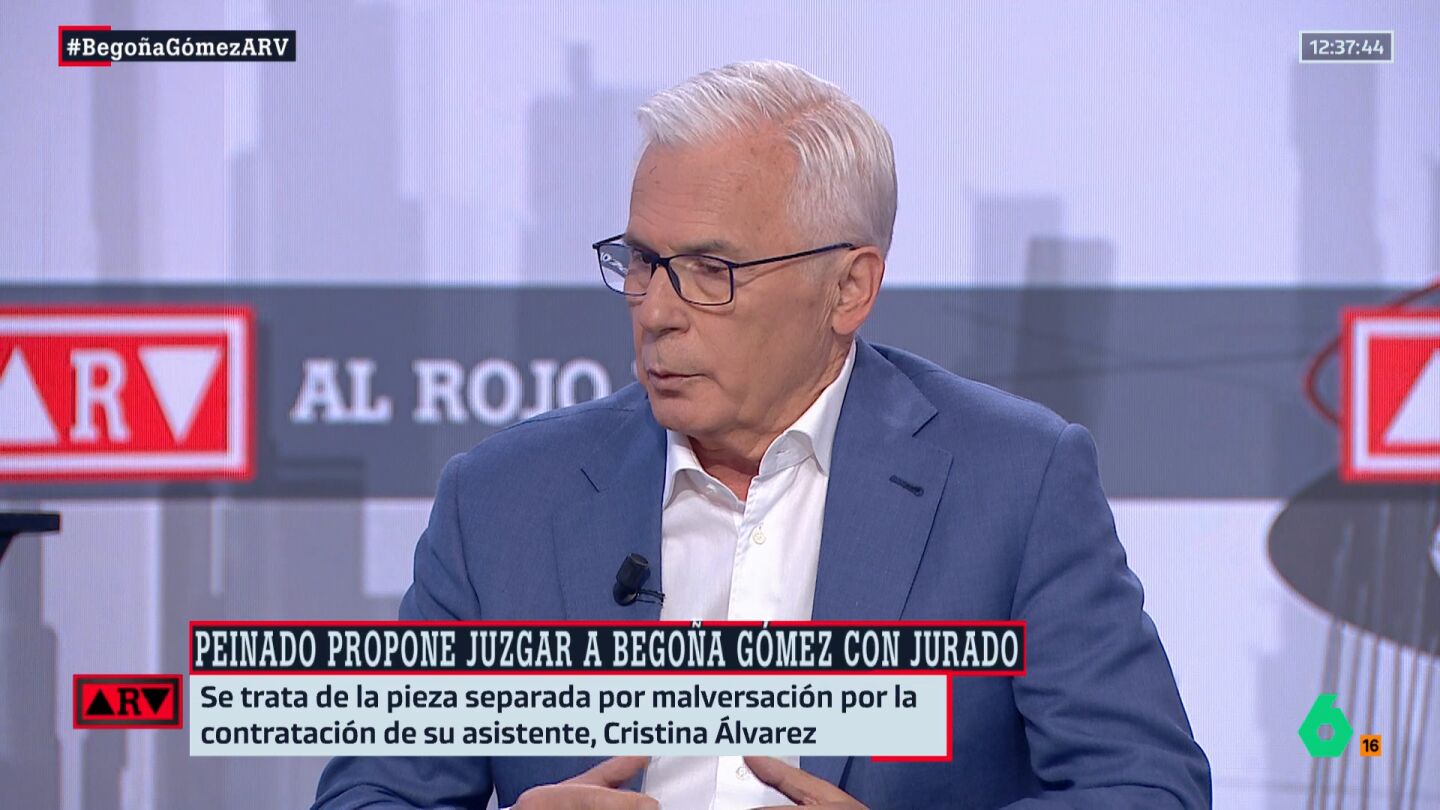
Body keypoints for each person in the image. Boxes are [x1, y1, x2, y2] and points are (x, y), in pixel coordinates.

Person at [314, 59, 1211, 809]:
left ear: (849, 288)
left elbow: (1147, 788)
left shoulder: (1014, 481)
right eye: (642, 262)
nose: (655, 310)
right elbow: (368, 794)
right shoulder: (503, 498)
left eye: (711, 270)